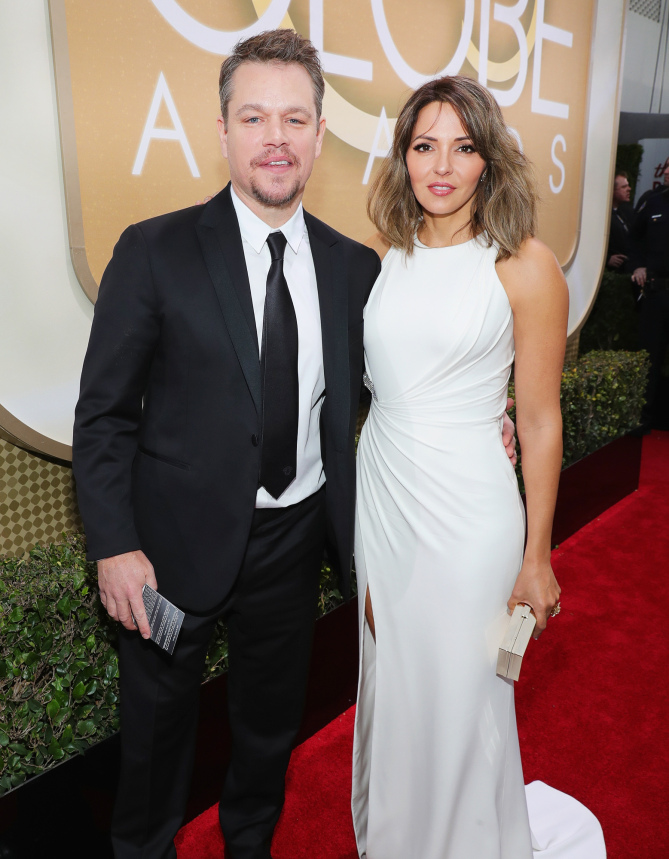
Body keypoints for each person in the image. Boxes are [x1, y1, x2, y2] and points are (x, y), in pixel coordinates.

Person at [72, 30, 386, 859]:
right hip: (170, 545)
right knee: (154, 739)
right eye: (254, 117)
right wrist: (113, 545)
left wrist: (485, 419)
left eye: (293, 118)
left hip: (294, 539)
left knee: (266, 727)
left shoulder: (355, 268)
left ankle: (250, 844)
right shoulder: (153, 250)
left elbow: (387, 394)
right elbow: (104, 414)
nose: (274, 137)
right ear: (222, 130)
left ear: (321, 133)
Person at [350, 76, 602, 858]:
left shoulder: (525, 267)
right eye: (424, 145)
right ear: (401, 156)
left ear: (488, 161)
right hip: (383, 499)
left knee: (461, 696)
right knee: (395, 689)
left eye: (462, 147)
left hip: (470, 518)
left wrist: (536, 554)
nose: (442, 165)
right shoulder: (382, 256)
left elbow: (537, 419)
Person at [630, 178, 669, 432]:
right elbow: (634, 238)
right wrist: (637, 265)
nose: (668, 172)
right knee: (649, 357)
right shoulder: (652, 200)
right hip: (657, 294)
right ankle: (642, 419)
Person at [606, 172, 634, 271]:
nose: (629, 189)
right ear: (612, 191)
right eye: (624, 187)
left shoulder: (624, 213)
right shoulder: (604, 215)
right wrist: (607, 259)